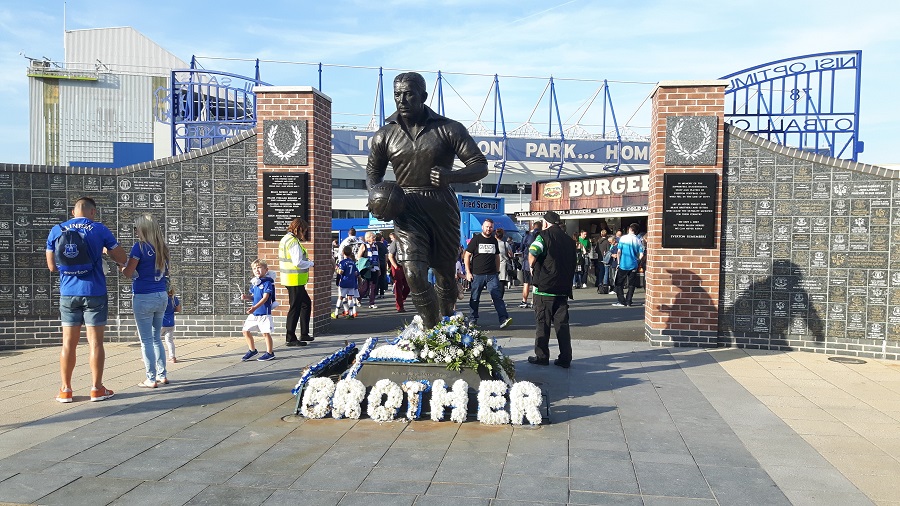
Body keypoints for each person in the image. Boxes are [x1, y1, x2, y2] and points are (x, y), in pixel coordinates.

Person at [366, 72, 488, 328]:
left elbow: (479, 165)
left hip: (441, 207)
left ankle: (447, 320)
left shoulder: (449, 128)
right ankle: (433, 332)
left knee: (445, 274)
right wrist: (376, 197)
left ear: (423, 96)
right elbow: (372, 173)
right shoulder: (384, 134)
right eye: (397, 94)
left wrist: (451, 176)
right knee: (413, 273)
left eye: (408, 94)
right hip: (406, 208)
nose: (402, 100)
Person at [46, 196, 127, 402]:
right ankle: (97, 388)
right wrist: (105, 250)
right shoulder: (99, 229)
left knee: (68, 344)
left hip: (68, 293)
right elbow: (122, 258)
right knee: (95, 343)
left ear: (73, 212)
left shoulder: (57, 230)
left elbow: (52, 267)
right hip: (94, 292)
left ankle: (65, 390)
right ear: (93, 212)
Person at [120, 213, 171, 388]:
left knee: (146, 340)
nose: (135, 231)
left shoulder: (139, 247)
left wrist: (120, 265)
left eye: (136, 228)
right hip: (161, 295)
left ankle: (150, 378)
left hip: (144, 296)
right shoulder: (162, 247)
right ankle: (162, 374)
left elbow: (129, 273)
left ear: (143, 229)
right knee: (157, 338)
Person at [527, 211, 576, 368]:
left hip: (544, 289)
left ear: (545, 223)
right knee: (562, 325)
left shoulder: (543, 236)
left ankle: (542, 356)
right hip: (563, 289)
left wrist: (532, 267)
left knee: (543, 323)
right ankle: (565, 357)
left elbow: (533, 252)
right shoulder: (569, 240)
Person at [464, 218, 512, 328]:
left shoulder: (494, 241)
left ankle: (503, 319)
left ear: (493, 228)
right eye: (487, 226)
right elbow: (467, 255)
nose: (488, 229)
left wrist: (497, 270)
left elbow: (496, 256)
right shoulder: (476, 239)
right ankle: (473, 319)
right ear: (482, 227)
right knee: (475, 298)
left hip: (492, 275)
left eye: (490, 227)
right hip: (477, 274)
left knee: (497, 297)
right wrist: (468, 272)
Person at [279, 218, 314, 347]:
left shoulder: (285, 239)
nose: (304, 234)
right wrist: (312, 263)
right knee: (295, 307)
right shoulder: (293, 242)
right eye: (303, 231)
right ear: (298, 229)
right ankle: (291, 337)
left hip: (291, 279)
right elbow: (298, 262)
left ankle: (304, 333)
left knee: (305, 303)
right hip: (294, 279)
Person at [239, 259, 277, 361]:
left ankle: (270, 352)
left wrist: (255, 307)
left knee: (265, 333)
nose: (257, 270)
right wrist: (247, 297)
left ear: (266, 270)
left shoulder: (267, 283)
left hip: (264, 313)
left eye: (259, 268)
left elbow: (265, 298)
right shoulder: (255, 283)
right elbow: (254, 297)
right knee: (245, 330)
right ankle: (252, 350)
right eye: (254, 268)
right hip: (254, 313)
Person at [612, 223, 645, 307]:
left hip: (623, 264)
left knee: (619, 283)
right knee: (631, 284)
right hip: (633, 264)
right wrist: (637, 261)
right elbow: (641, 254)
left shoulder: (623, 238)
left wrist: (618, 263)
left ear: (630, 229)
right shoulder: (638, 240)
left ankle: (621, 301)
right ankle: (629, 301)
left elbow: (619, 252)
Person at [518, 221, 542, 308]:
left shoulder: (527, 236)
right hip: (537, 263)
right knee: (535, 284)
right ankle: (533, 301)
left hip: (526, 263)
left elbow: (521, 248)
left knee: (526, 283)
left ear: (533, 226)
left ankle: (524, 301)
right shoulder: (541, 236)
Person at [333, 245, 360, 319]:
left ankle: (336, 313)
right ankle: (351, 314)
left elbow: (341, 272)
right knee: (350, 297)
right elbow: (356, 273)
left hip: (344, 281)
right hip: (351, 282)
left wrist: (336, 269)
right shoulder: (352, 262)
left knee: (340, 297)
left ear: (343, 252)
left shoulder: (342, 262)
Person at [357, 231, 382, 309]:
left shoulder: (376, 246)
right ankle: (358, 299)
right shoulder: (363, 246)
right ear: (368, 238)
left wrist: (379, 269)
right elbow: (358, 257)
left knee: (374, 287)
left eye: (374, 237)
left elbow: (377, 258)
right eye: (373, 237)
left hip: (375, 268)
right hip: (367, 268)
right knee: (365, 287)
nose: (374, 238)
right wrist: (366, 261)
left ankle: (372, 303)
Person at [387, 232, 410, 312]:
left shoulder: (407, 241)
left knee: (408, 286)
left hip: (406, 266)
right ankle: (400, 306)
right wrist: (395, 266)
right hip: (398, 266)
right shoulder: (395, 243)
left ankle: (401, 300)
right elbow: (390, 256)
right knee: (398, 287)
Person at [161, 284, 181, 363]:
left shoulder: (161, 299)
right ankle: (172, 357)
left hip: (161, 323)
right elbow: (179, 309)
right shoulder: (174, 299)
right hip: (171, 323)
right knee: (169, 341)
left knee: (154, 341)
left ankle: (152, 357)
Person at [495, 228, 511, 296]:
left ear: (495, 236)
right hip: (503, 264)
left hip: (494, 265)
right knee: (501, 282)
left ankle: (494, 298)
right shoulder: (505, 244)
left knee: (494, 282)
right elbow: (511, 254)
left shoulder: (493, 243)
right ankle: (500, 298)